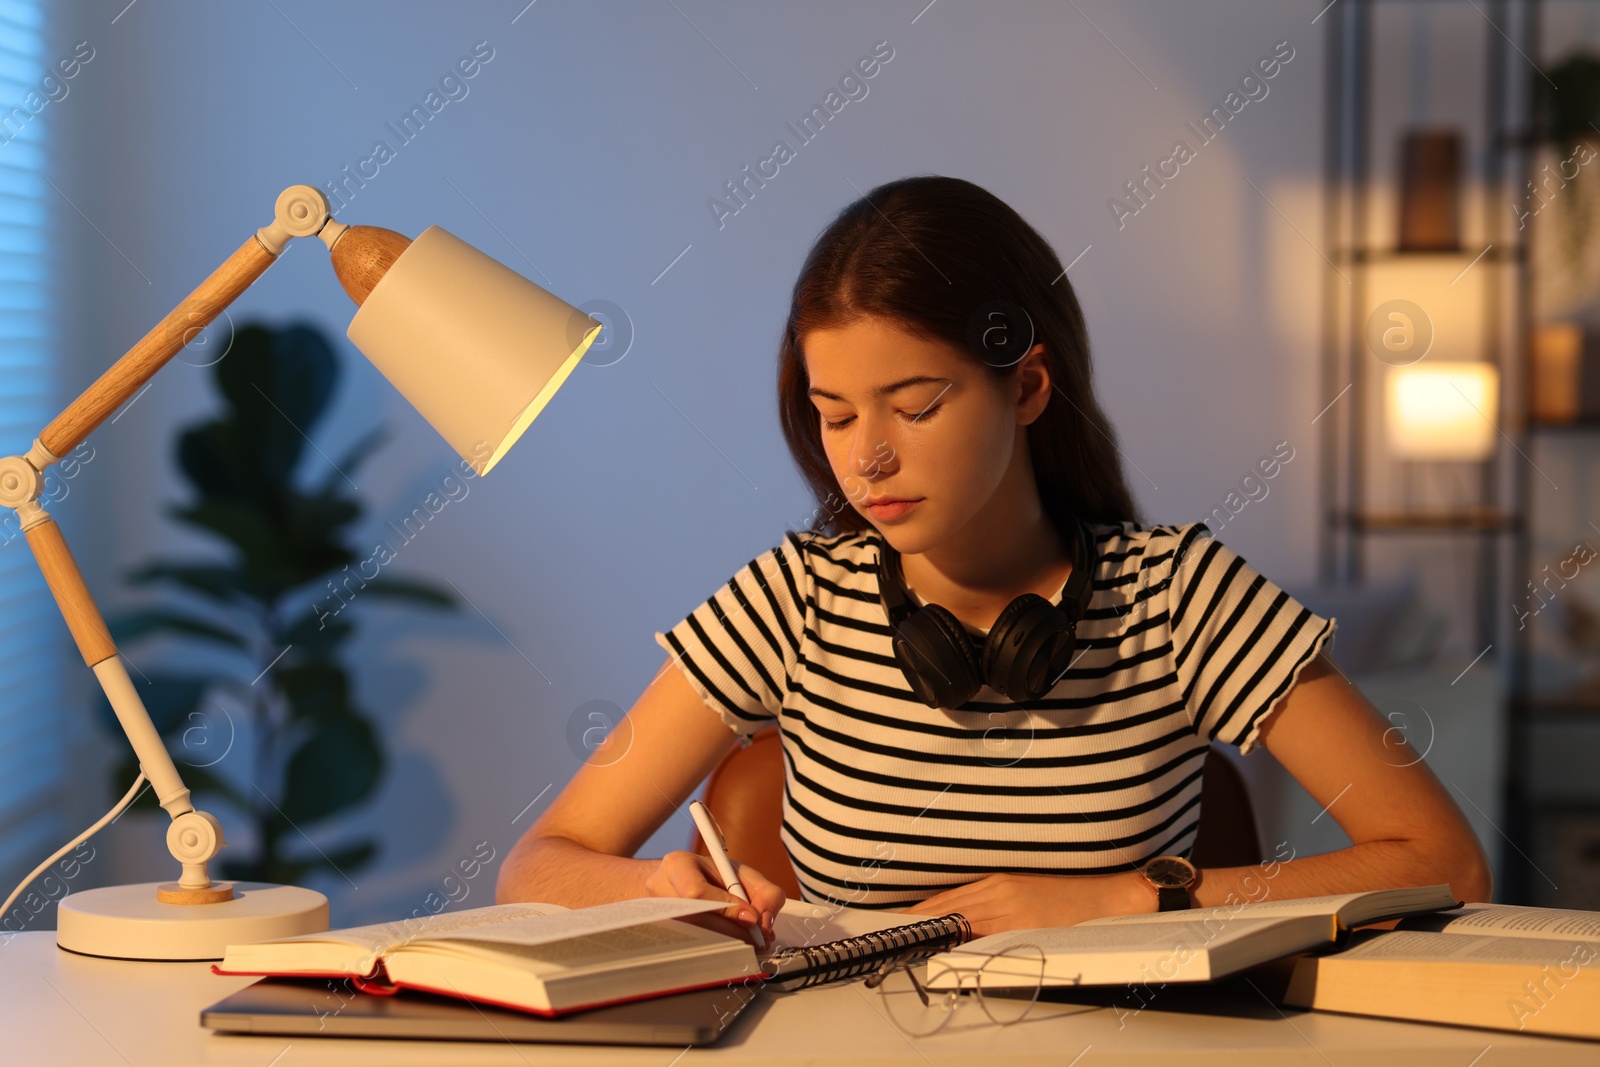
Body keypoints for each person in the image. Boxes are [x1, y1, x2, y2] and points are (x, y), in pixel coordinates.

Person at [496, 175, 1493, 944]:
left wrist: (1123, 896)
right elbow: (537, 864)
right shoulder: (793, 600)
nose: (867, 456)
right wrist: (655, 886)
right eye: (833, 414)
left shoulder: (1180, 594)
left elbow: (1444, 862)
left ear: (1024, 388)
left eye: (916, 404)